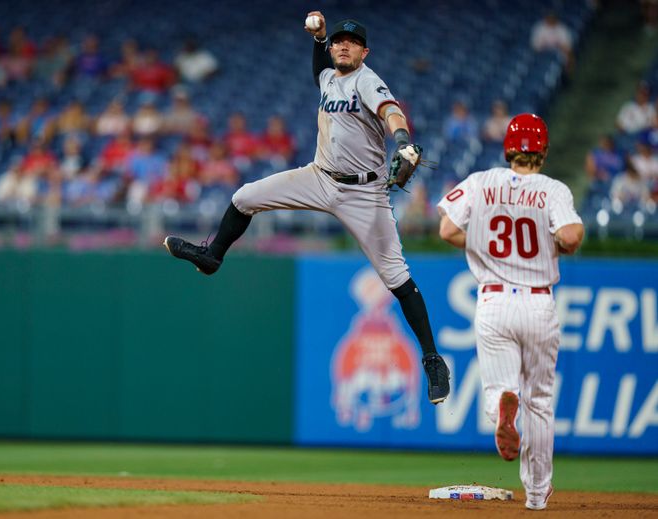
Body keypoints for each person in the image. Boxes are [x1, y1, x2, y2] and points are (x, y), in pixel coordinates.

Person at [163, 12, 450, 405]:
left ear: (364, 51)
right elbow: (320, 71)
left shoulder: (368, 80)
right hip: (319, 176)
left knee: (396, 277)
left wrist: (402, 140)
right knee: (244, 197)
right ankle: (213, 256)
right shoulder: (330, 76)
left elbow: (391, 113)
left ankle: (433, 359)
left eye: (351, 41)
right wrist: (317, 41)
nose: (343, 45)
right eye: (338, 41)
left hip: (364, 194)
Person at [437, 113, 584, 511]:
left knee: (499, 387)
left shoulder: (482, 181)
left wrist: (482, 245)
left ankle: (502, 403)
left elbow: (447, 230)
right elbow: (570, 235)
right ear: (544, 151)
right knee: (540, 400)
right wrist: (553, 242)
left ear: (508, 148)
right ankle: (536, 495)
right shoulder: (552, 190)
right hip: (538, 301)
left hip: (494, 299)